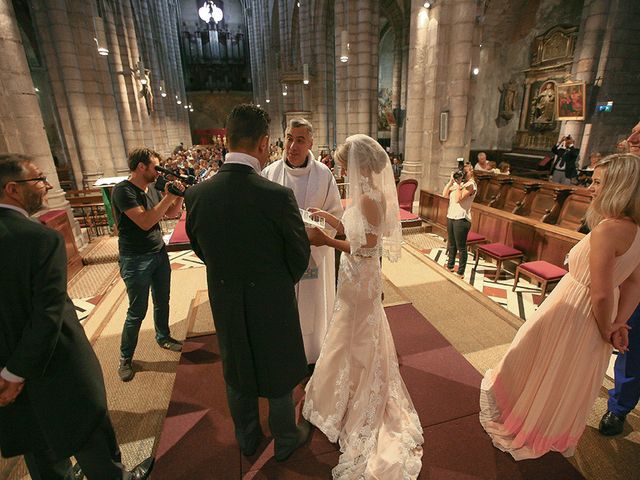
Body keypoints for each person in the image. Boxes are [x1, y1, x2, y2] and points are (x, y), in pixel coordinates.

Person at [0, 154, 153, 480]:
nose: (46, 186)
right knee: (90, 433)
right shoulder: (39, 238)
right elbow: (48, 313)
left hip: (5, 367)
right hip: (57, 362)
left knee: (39, 445)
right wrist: (15, 373)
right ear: (12, 188)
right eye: (39, 179)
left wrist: (8, 373)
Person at [479, 153, 640, 460]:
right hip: (597, 315)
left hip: (578, 310)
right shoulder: (636, 229)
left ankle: (527, 424)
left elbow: (602, 293)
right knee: (566, 374)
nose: (590, 188)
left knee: (541, 362)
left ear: (619, 186)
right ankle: (546, 427)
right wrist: (619, 323)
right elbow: (634, 284)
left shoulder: (609, 229)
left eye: (597, 182)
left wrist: (608, 326)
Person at [185, 104, 312, 462]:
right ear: (264, 143)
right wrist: (276, 283)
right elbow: (298, 252)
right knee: (279, 367)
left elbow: (199, 248)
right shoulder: (276, 196)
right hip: (272, 299)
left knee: (236, 367)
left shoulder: (197, 196)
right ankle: (286, 437)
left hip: (225, 297)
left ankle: (247, 437)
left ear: (226, 140)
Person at [302, 134, 424, 479]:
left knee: (354, 331)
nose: (342, 169)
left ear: (360, 165)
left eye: (344, 164)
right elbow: (357, 233)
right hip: (356, 277)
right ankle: (344, 386)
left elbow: (366, 247)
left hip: (361, 278)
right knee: (350, 331)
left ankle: (354, 394)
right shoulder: (365, 195)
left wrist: (325, 239)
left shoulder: (372, 198)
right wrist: (330, 219)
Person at [262, 118, 342, 365]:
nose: (293, 145)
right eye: (289, 138)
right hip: (280, 257)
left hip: (314, 255)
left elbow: (335, 213)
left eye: (300, 140)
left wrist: (314, 238)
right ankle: (287, 354)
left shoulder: (323, 174)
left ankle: (313, 356)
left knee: (314, 306)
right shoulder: (269, 173)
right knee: (285, 308)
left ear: (310, 143)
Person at [111, 148, 185, 382]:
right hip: (135, 259)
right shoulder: (123, 190)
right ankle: (125, 357)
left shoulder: (149, 189)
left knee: (162, 300)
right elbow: (145, 221)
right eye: (155, 166)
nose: (158, 171)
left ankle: (163, 336)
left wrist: (178, 195)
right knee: (137, 311)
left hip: (158, 253)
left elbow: (172, 214)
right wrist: (167, 197)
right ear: (141, 167)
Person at [442, 163, 477, 278]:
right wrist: (451, 181)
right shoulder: (460, 184)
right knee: (451, 244)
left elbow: (458, 199)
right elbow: (444, 194)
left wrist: (457, 185)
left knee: (461, 247)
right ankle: (450, 266)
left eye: (465, 172)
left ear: (470, 172)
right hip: (451, 216)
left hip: (462, 219)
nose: (463, 174)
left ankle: (461, 272)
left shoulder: (471, 185)